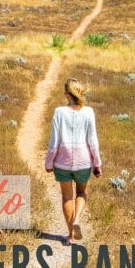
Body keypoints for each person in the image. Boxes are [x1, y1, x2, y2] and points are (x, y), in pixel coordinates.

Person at [44, 78, 102, 245]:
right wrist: (97, 164)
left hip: (62, 162)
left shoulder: (59, 112)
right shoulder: (89, 112)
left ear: (66, 93)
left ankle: (70, 235)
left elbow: (54, 143)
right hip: (84, 162)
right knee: (82, 193)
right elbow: (93, 141)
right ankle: (76, 219)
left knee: (66, 197)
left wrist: (49, 163)